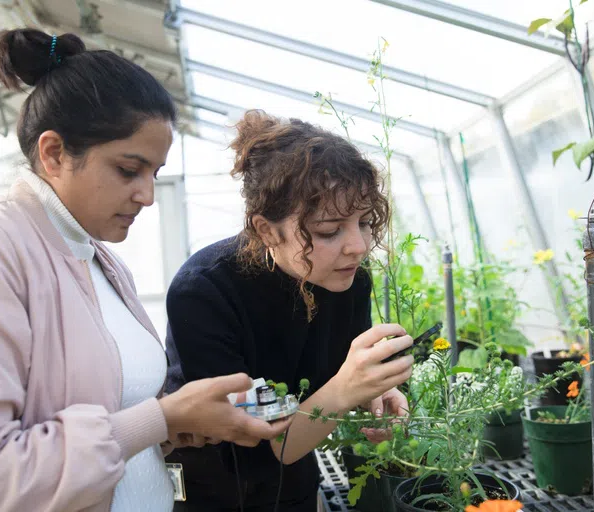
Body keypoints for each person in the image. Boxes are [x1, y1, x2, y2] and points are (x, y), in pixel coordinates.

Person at [0, 30, 289, 512]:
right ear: (54, 153)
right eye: (129, 169)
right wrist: (158, 419)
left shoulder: (101, 260)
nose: (147, 194)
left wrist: (180, 425)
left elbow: (115, 426)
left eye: (155, 174)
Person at [165, 110, 415, 511]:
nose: (358, 246)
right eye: (329, 230)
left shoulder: (348, 279)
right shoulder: (204, 292)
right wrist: (348, 387)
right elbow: (265, 442)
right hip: (215, 488)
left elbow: (333, 382)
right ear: (266, 230)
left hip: (297, 476)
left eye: (365, 222)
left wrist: (378, 390)